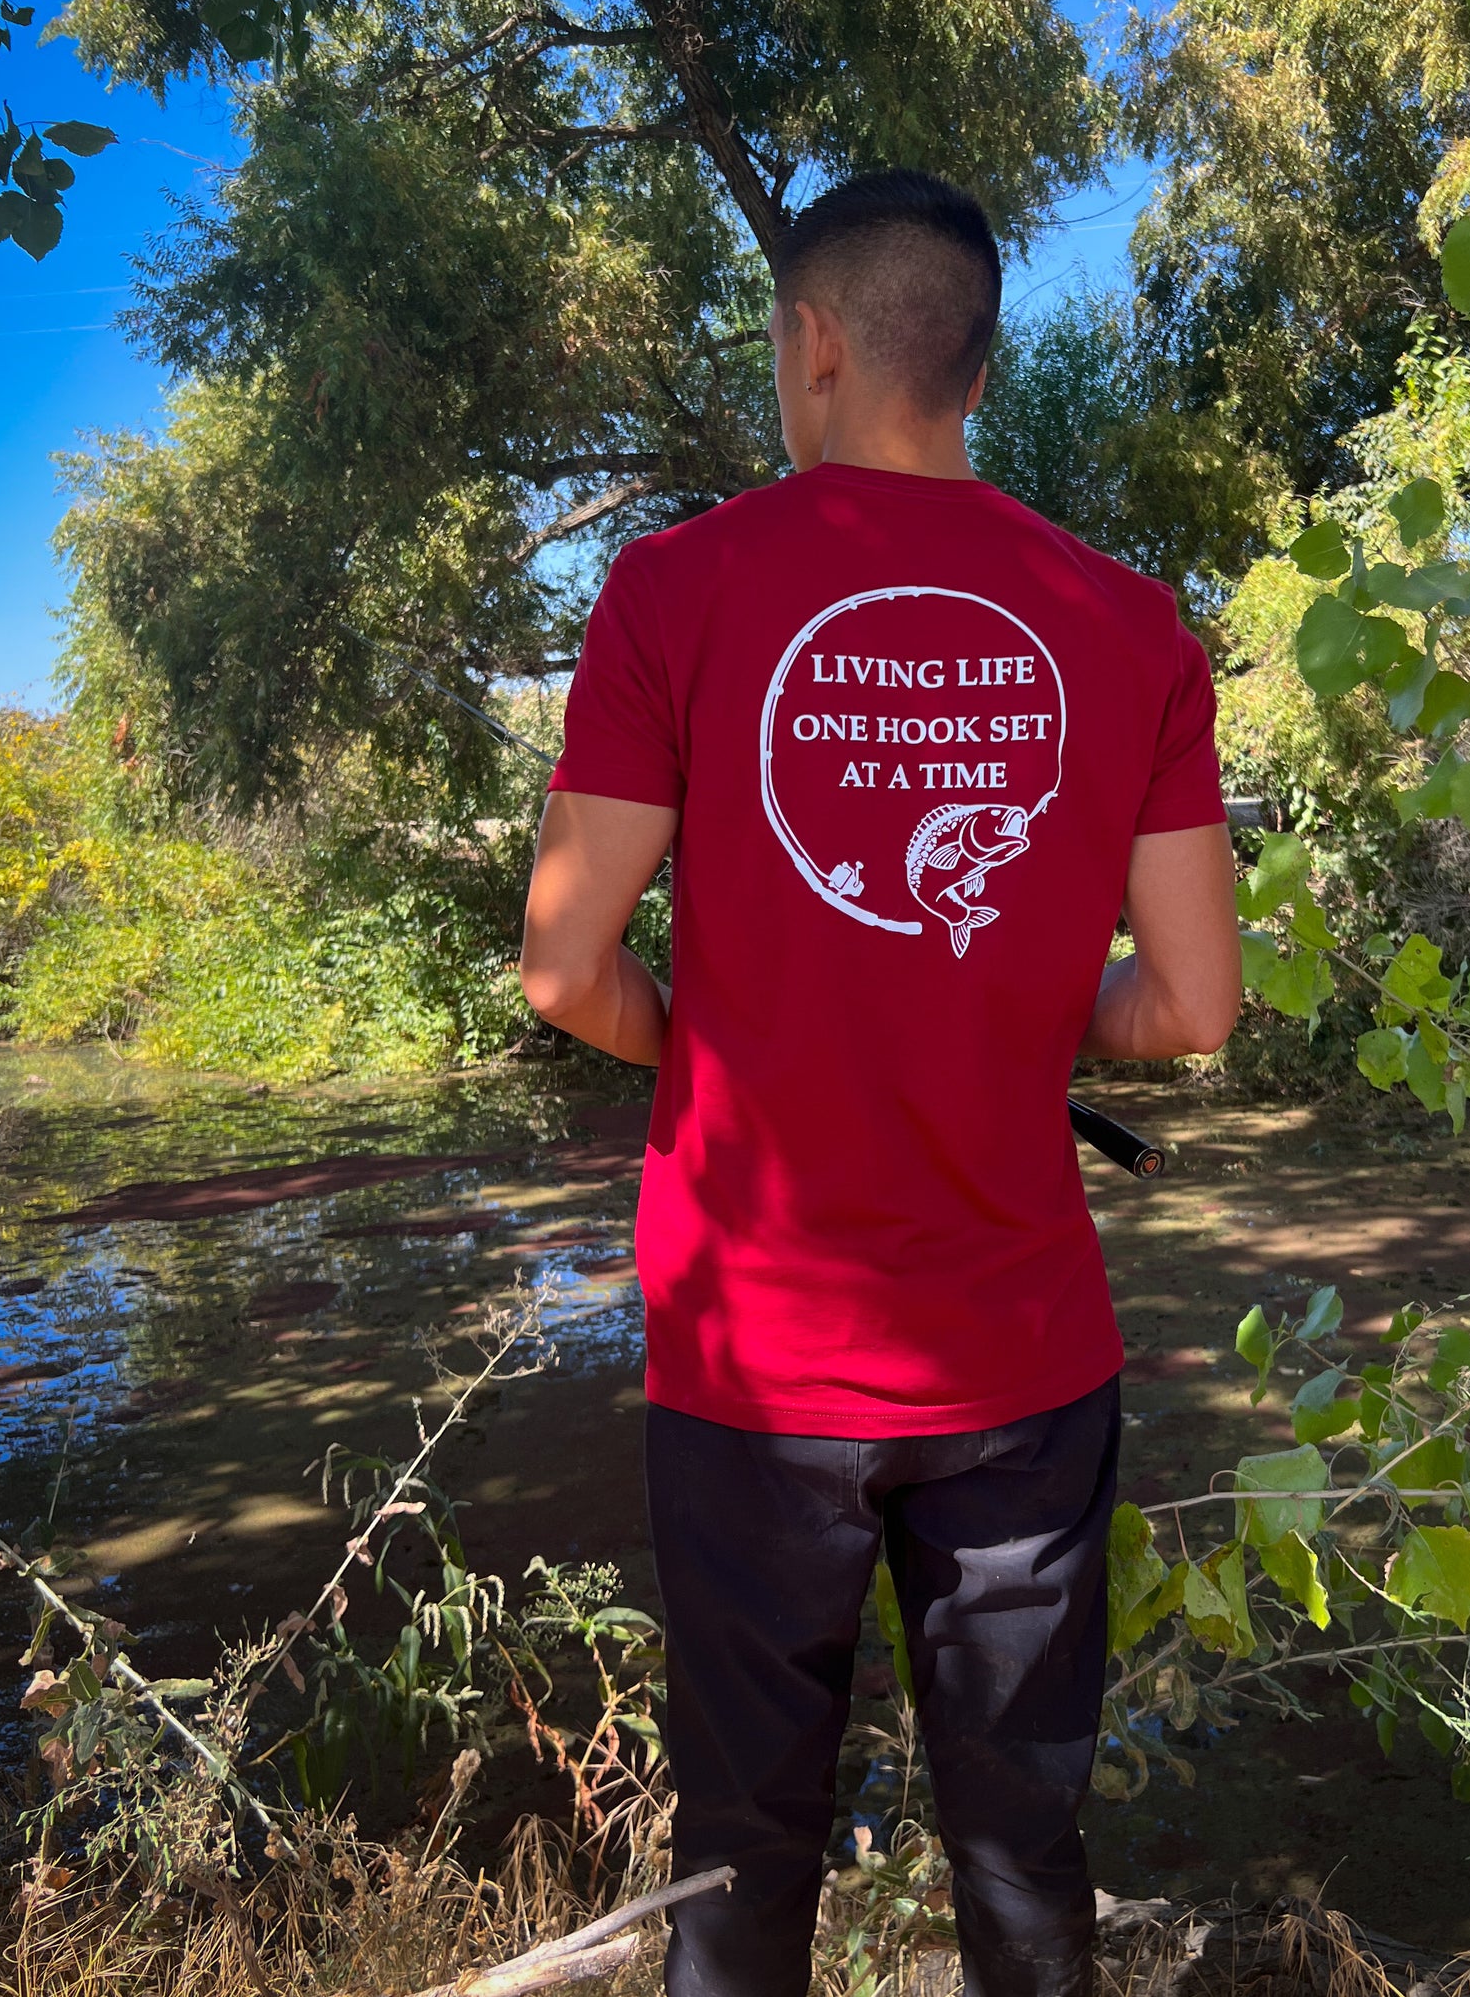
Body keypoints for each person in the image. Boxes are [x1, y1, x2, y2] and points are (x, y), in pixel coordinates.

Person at [519, 169, 1242, 1997]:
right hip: (1021, 1361)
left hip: (750, 1358)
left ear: (813, 341)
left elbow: (562, 967)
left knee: (739, 1854)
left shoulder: (672, 590)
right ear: (978, 369)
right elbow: (1192, 1003)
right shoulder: (1127, 619)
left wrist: (705, 1032)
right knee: (1021, 1849)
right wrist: (1013, 1010)